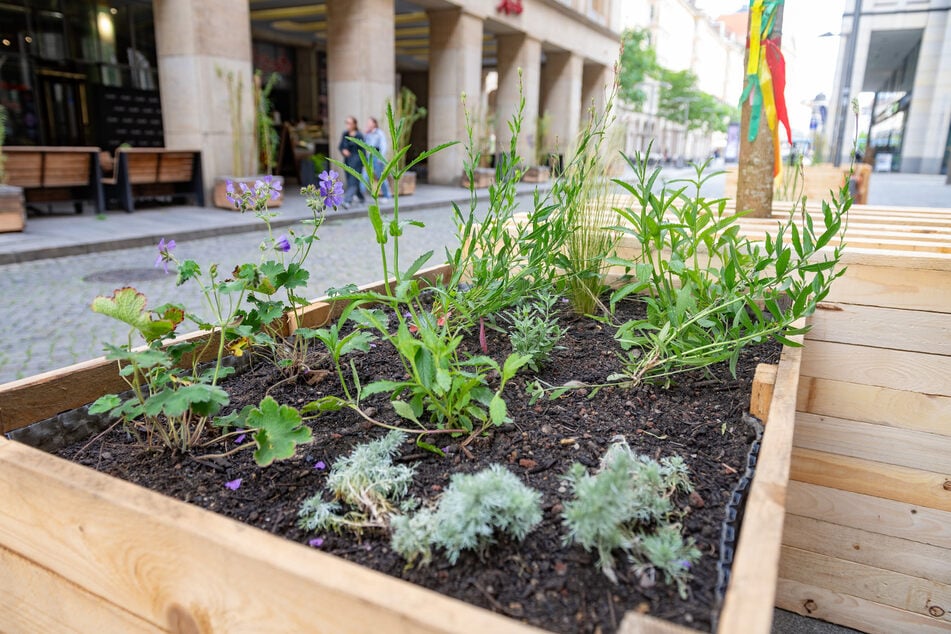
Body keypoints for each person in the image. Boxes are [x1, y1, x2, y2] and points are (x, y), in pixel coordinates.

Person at [338, 115, 365, 208]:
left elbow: (363, 150)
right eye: (346, 123)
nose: (348, 125)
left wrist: (364, 163)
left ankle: (347, 201)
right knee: (351, 180)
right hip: (347, 161)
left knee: (353, 181)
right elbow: (341, 146)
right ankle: (361, 197)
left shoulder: (359, 135)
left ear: (354, 124)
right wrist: (343, 150)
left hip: (357, 161)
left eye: (349, 123)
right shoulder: (345, 134)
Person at [362, 116, 390, 199]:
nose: (368, 124)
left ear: (374, 123)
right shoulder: (368, 134)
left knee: (381, 177)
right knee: (364, 176)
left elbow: (383, 146)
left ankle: (387, 195)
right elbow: (364, 144)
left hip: (377, 156)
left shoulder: (379, 133)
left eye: (369, 122)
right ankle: (361, 195)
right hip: (369, 156)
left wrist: (381, 158)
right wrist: (365, 134)